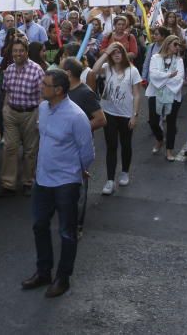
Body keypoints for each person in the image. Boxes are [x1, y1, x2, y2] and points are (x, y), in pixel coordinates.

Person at [21, 70, 95, 298]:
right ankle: (43, 271)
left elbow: (87, 151)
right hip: (43, 180)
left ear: (59, 90)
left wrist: (80, 171)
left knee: (66, 232)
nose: (40, 87)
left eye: (45, 84)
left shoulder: (77, 116)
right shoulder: (43, 108)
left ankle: (63, 278)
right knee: (39, 226)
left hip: (66, 183)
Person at [88, 42, 143, 194]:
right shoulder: (107, 68)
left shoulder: (133, 71)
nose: (117, 55)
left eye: (119, 52)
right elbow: (94, 71)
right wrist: (106, 53)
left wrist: (135, 115)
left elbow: (137, 94)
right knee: (111, 146)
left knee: (126, 144)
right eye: (114, 53)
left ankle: (125, 171)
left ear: (124, 54)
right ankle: (110, 180)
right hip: (109, 112)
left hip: (126, 114)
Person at [60, 58, 105, 239]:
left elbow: (101, 119)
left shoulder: (85, 93)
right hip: (61, 148)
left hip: (79, 148)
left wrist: (78, 129)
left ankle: (77, 225)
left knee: (78, 186)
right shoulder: (61, 92)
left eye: (62, 69)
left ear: (68, 73)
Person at [0, 39, 46, 197]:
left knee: (30, 151)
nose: (17, 54)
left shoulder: (37, 70)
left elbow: (42, 97)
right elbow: (7, 91)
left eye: (21, 51)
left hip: (30, 114)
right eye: (15, 51)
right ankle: (8, 183)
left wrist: (40, 118)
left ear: (26, 52)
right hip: (11, 112)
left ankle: (28, 181)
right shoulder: (10, 69)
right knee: (9, 148)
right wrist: (5, 109)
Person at [146, 36, 185, 162]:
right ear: (167, 44)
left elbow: (179, 78)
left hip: (173, 94)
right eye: (175, 44)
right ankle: (159, 139)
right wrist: (168, 75)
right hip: (155, 93)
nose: (177, 47)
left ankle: (169, 150)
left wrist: (163, 80)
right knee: (153, 120)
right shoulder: (155, 58)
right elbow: (153, 75)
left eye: (179, 45)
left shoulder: (179, 61)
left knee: (171, 122)